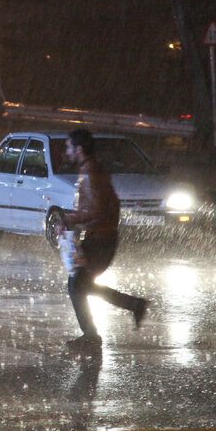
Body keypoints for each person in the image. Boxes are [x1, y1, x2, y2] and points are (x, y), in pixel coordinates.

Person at [57, 128, 148, 355]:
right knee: (80, 284)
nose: (66, 151)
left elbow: (97, 208)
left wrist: (69, 219)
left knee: (77, 285)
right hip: (100, 237)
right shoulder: (92, 169)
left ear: (78, 149)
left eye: (69, 147)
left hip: (101, 240)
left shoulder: (90, 171)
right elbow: (105, 205)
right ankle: (133, 306)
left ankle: (93, 336)